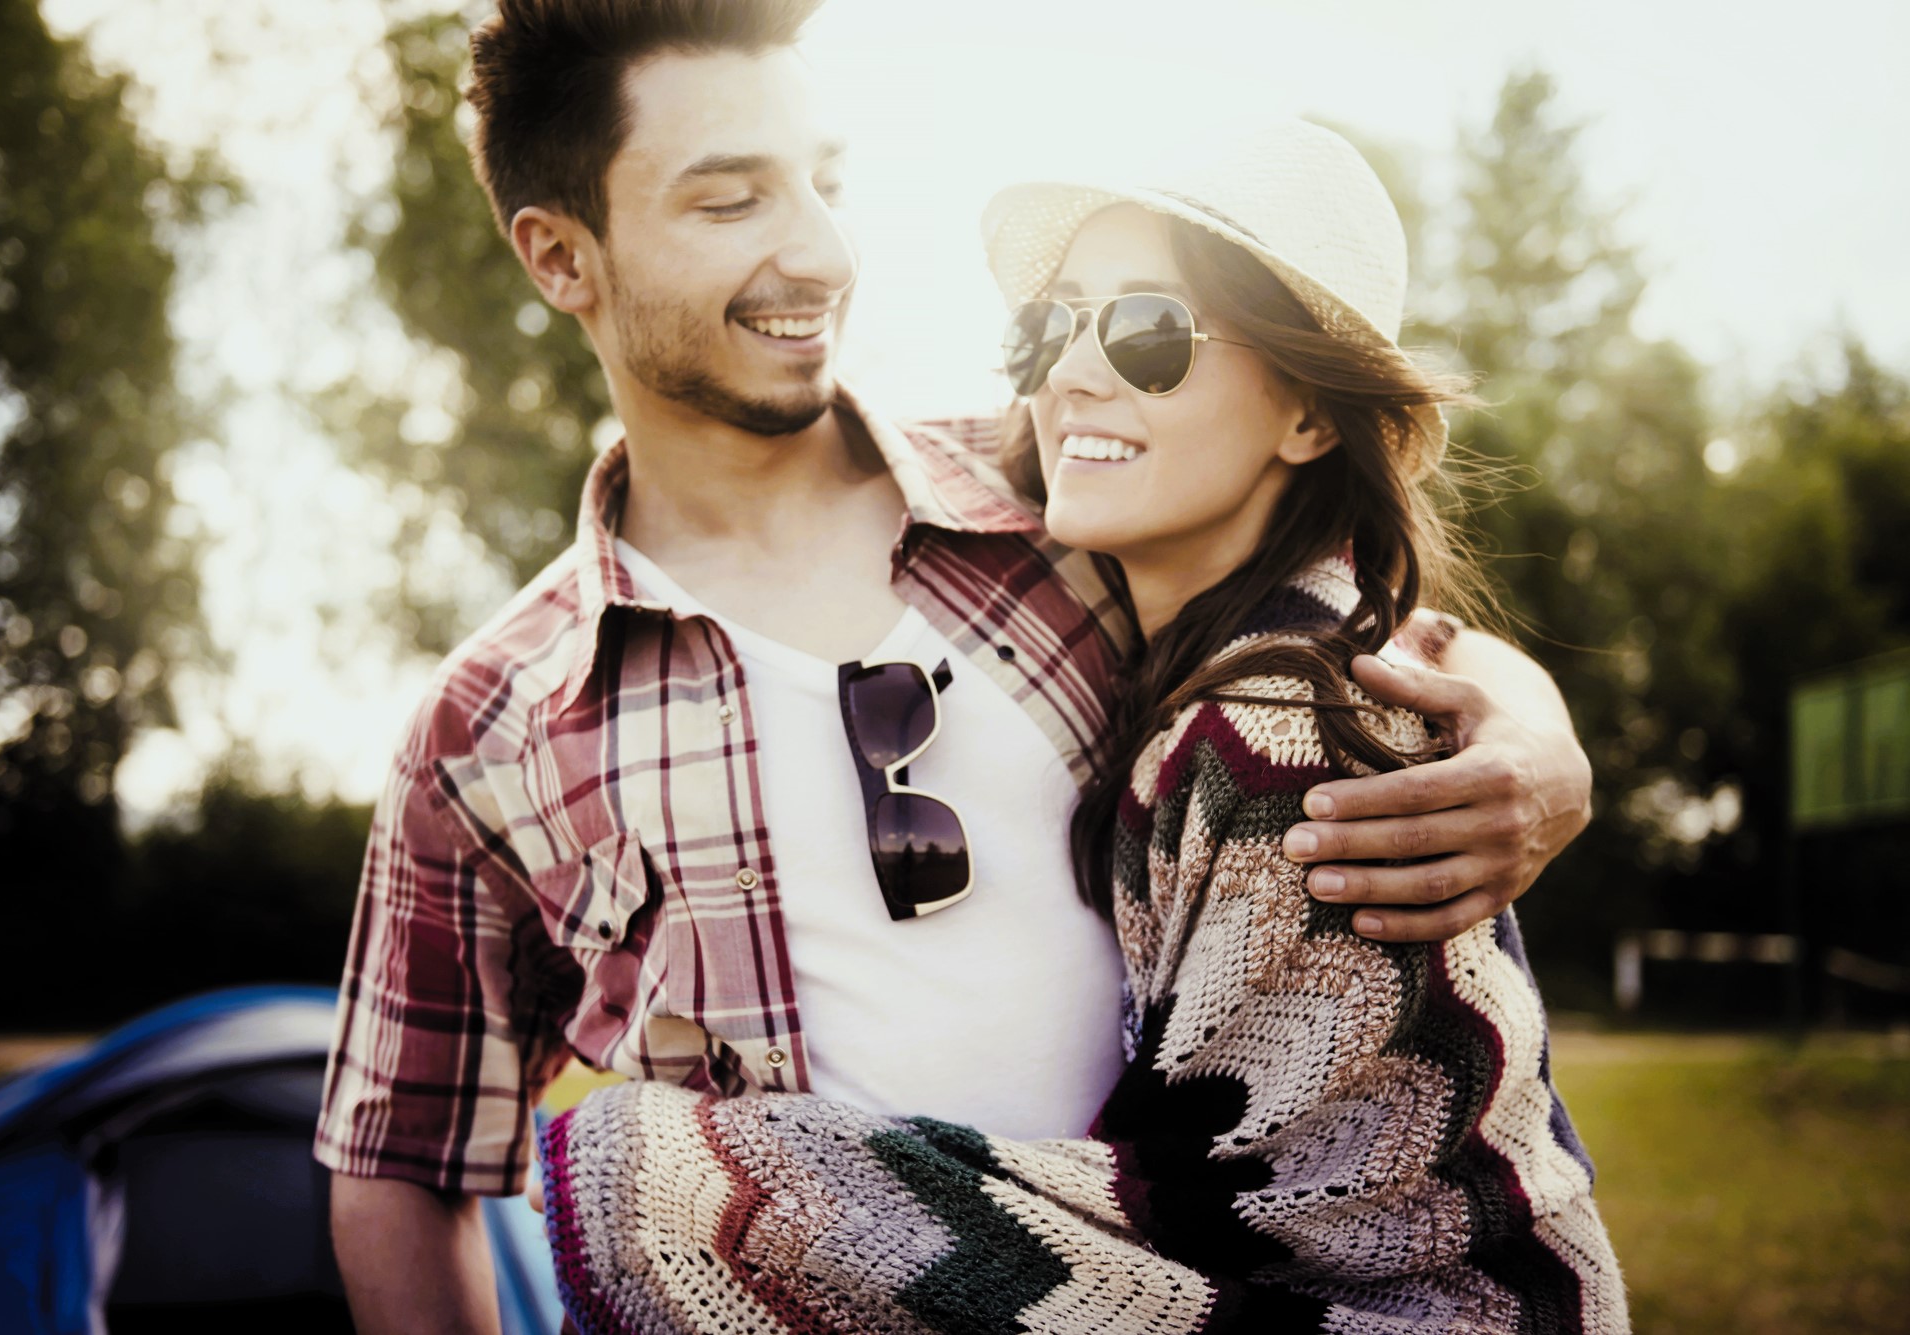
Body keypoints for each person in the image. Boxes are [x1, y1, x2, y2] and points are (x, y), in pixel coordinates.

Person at [312, 3, 1598, 1330]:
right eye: (730, 199)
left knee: (649, 1169)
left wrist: (1539, 748)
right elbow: (397, 1171)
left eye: (825, 180)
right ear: (560, 256)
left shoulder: (1065, 497)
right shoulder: (492, 723)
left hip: (1179, 1296)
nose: (813, 245)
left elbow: (1352, 629)